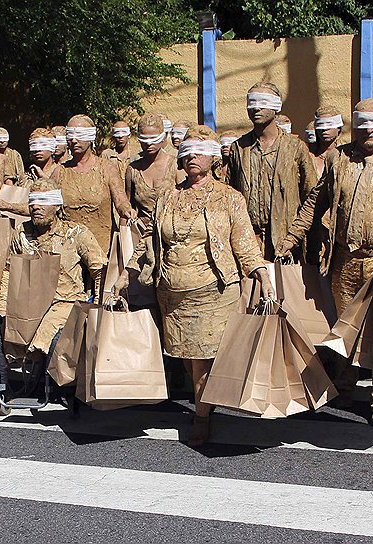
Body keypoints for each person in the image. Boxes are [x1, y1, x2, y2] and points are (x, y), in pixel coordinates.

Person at [114, 125, 274, 446]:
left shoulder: (229, 198)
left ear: (214, 159)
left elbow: (243, 240)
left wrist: (260, 272)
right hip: (172, 293)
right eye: (186, 153)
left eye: (199, 153)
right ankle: (207, 401)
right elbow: (150, 242)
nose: (191, 158)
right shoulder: (168, 196)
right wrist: (124, 276)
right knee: (189, 360)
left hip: (213, 291)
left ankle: (201, 415)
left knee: (202, 360)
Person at [277, 98, 373, 422]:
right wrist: (289, 240)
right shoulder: (339, 159)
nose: (369, 129)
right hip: (345, 260)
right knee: (345, 326)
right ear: (353, 125)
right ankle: (345, 381)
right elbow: (315, 204)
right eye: (363, 123)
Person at [0, 179, 106, 383]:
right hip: (27, 304)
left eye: (43, 201)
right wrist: (2, 306)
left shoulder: (75, 233)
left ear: (56, 206)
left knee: (45, 336)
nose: (36, 207)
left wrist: (97, 306)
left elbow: (99, 269)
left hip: (65, 303)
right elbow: (8, 271)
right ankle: (10, 384)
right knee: (2, 331)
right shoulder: (22, 233)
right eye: (32, 201)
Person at [225, 82, 315, 260]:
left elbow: (312, 198)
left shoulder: (295, 148)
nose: (256, 108)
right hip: (248, 242)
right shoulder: (239, 148)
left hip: (287, 242)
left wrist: (294, 236)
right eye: (252, 102)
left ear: (276, 107)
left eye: (263, 102)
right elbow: (230, 195)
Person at [51, 115, 135, 292]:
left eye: (79, 134)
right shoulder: (60, 172)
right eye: (70, 135)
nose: (74, 140)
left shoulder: (106, 168)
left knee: (100, 301)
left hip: (101, 249)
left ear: (91, 137)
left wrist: (127, 210)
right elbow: (45, 203)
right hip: (69, 252)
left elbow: (120, 200)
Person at [125, 114, 185, 228]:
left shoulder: (175, 165)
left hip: (171, 231)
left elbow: (185, 202)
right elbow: (128, 205)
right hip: (142, 234)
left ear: (163, 137)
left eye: (153, 139)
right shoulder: (133, 169)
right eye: (144, 139)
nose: (148, 143)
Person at [309, 105, 344, 180]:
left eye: (329, 126)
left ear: (339, 129)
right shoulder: (308, 155)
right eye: (320, 127)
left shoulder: (347, 155)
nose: (324, 130)